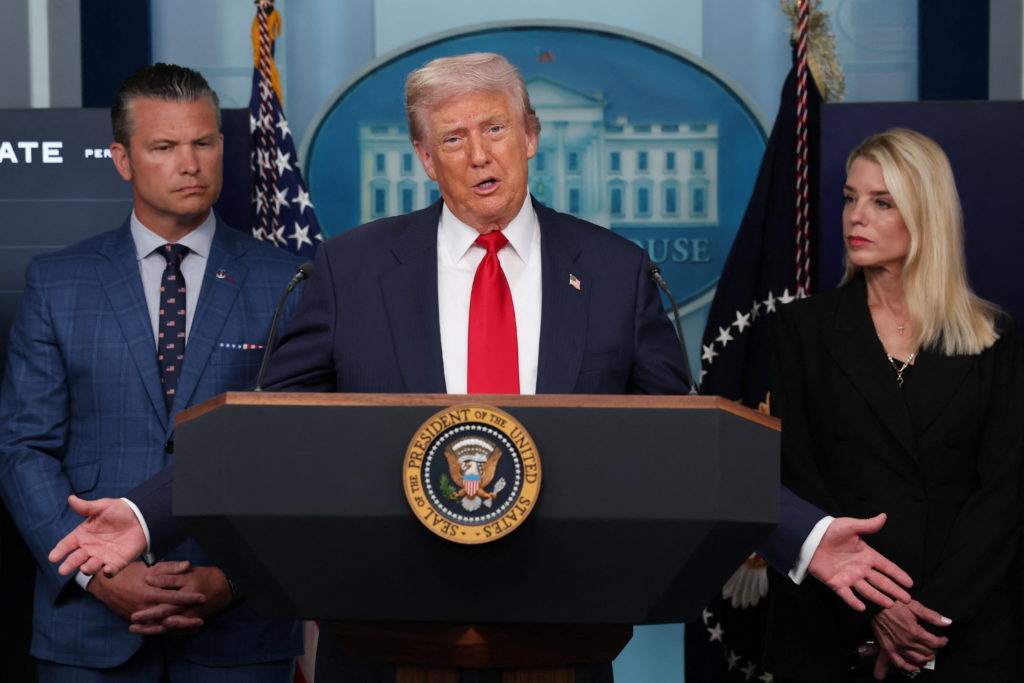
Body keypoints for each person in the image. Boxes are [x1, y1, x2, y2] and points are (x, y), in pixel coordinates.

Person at [50, 52, 912, 678]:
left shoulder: (612, 271)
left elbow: (684, 443)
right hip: (385, 635)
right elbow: (267, 430)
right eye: (452, 138)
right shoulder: (350, 269)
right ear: (425, 160)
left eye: (494, 128)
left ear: (531, 134)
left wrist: (802, 534)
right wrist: (143, 512)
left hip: (559, 635)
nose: (479, 154)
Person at [0, 63, 303, 681]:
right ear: (122, 158)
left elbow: (301, 450)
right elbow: (23, 449)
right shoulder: (58, 282)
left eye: (203, 143)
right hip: (88, 627)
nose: (189, 164)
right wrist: (97, 572)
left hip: (239, 629)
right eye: (164, 147)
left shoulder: (291, 282)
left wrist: (234, 575)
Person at [764, 128, 1024, 682]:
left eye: (881, 202)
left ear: (926, 214)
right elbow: (794, 477)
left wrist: (926, 625)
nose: (856, 217)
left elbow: (1002, 495)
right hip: (834, 628)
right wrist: (879, 611)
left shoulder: (997, 339)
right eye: (850, 198)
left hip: (962, 634)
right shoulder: (800, 331)